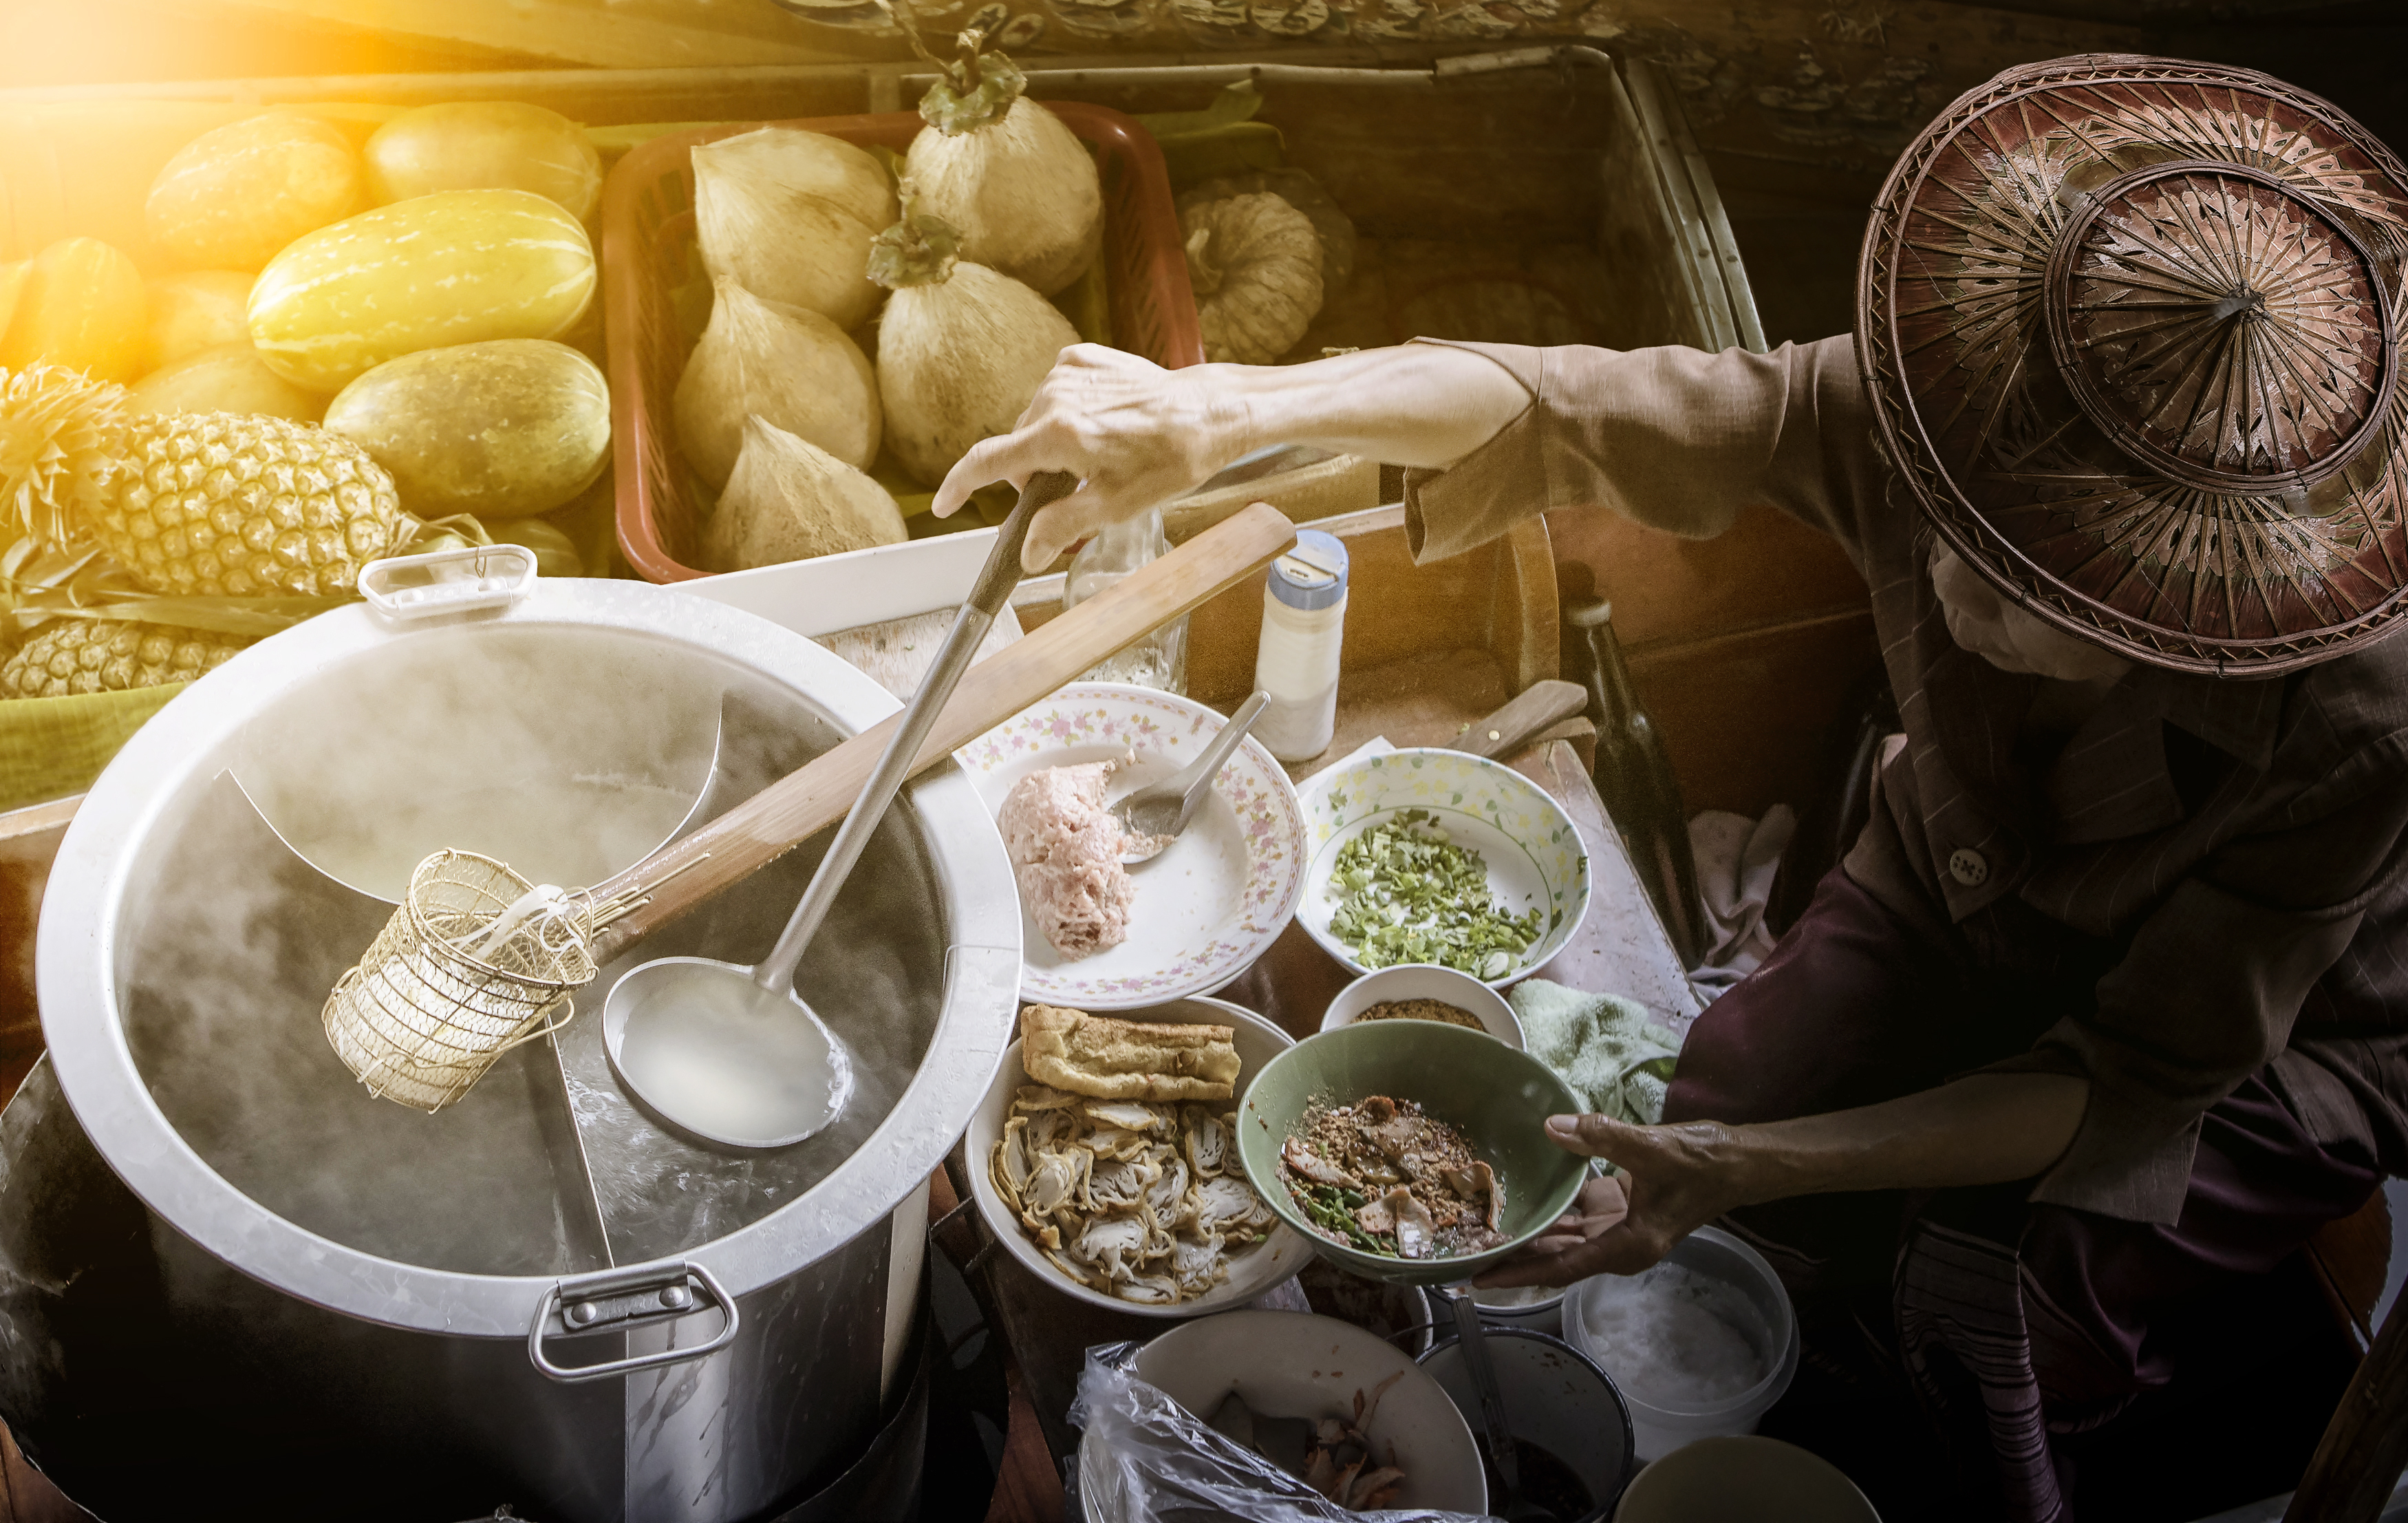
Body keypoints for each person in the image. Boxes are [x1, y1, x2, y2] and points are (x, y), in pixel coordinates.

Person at [936, 54, 2408, 1522]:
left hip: (2247, 1064)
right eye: (1951, 530)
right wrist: (1224, 412)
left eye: (2038, 599)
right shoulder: (1959, 419)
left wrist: (1745, 1165)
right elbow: (1581, 406)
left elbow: (2125, 1087)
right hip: (1955, 868)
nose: (1955, 586)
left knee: (2015, 1291)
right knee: (1723, 1101)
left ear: (2189, 619)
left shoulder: (2350, 722)